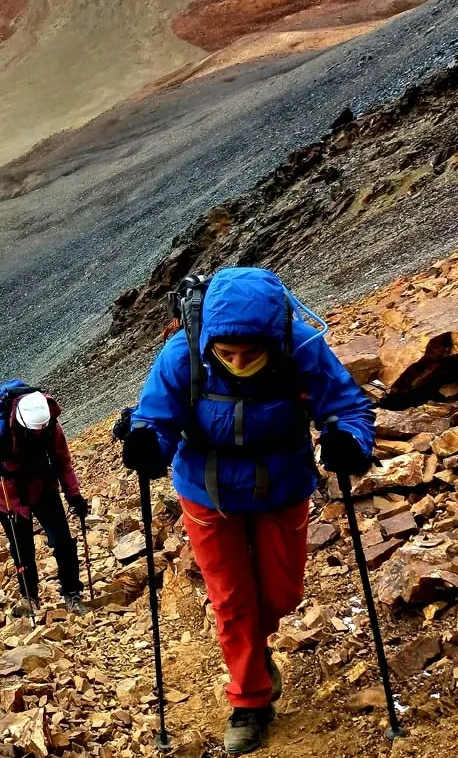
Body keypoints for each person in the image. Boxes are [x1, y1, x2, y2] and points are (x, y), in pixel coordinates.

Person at [121, 267, 374, 755]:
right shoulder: (183, 352)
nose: (238, 362)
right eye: (227, 354)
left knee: (281, 593)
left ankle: (256, 652)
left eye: (250, 353)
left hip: (282, 485)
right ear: (211, 341)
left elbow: (347, 407)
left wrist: (348, 439)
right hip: (207, 493)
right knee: (232, 599)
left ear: (272, 336)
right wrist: (149, 444)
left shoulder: (300, 346)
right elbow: (156, 417)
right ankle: (250, 699)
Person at [0, 381, 90, 615]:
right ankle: (29, 598)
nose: (37, 434)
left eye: (40, 430)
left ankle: (72, 594)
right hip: (7, 495)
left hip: (42, 486)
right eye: (33, 431)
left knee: (63, 541)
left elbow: (63, 461)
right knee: (22, 549)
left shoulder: (50, 424)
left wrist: (74, 495)